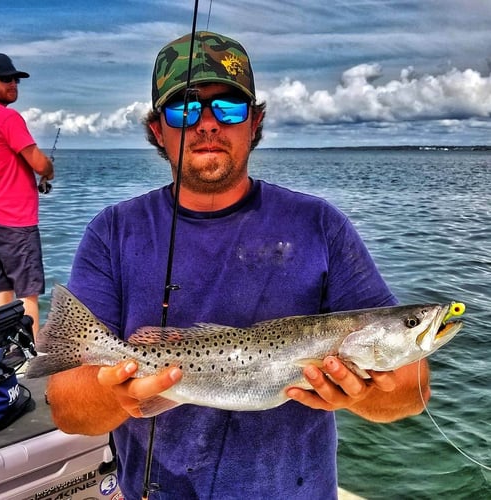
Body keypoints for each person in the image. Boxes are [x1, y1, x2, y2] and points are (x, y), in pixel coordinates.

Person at [46, 32, 430, 499]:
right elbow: (67, 408)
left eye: (228, 107)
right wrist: (116, 394)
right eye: (184, 109)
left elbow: (414, 391)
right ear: (156, 130)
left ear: (256, 121)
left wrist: (367, 393)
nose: (207, 124)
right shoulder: (113, 231)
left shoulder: (320, 225)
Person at [0, 53, 54, 336]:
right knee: (28, 293)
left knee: (2, 289)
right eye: (5, 79)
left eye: (15, 79)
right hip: (17, 222)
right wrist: (48, 171)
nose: (13, 84)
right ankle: (28, 358)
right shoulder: (7, 118)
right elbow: (39, 163)